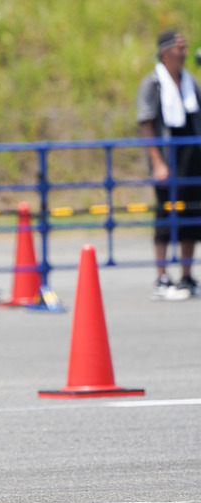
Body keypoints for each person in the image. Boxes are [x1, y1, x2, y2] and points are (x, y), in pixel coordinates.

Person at [136, 30, 201, 300]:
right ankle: (162, 277)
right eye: (180, 48)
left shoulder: (190, 81)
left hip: (192, 158)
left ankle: (186, 275)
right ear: (166, 52)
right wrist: (157, 162)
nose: (184, 53)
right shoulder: (153, 83)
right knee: (165, 216)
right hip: (167, 158)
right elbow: (146, 123)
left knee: (192, 215)